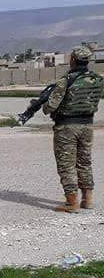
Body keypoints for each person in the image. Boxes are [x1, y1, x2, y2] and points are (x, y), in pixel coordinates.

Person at [42, 45, 104, 212]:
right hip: (87, 126)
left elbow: (51, 106)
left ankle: (72, 202)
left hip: (67, 127)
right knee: (84, 162)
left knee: (66, 164)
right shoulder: (98, 79)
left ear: (73, 60)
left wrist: (44, 106)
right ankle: (87, 199)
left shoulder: (67, 80)